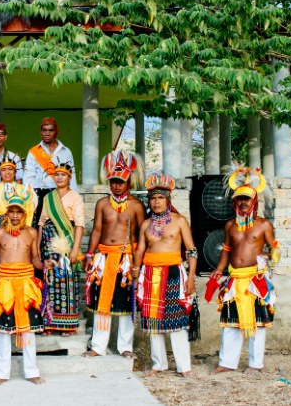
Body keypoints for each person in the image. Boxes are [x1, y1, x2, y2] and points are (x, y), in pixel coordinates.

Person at [211, 168, 278, 375]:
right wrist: (219, 269)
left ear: (254, 200)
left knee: (257, 324)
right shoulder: (230, 225)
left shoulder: (264, 225)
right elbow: (226, 250)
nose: (243, 202)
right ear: (235, 201)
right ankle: (227, 362)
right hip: (234, 279)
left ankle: (255, 364)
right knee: (231, 323)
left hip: (254, 281)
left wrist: (272, 258)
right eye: (239, 198)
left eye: (247, 199)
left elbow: (273, 247)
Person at [131, 174, 197, 378]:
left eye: (160, 197)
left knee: (177, 320)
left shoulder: (179, 221)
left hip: (173, 273)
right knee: (153, 321)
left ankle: (183, 366)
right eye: (152, 198)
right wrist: (135, 268)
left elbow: (191, 250)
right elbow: (140, 251)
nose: (156, 202)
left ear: (168, 199)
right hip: (149, 274)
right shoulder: (146, 224)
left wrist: (191, 278)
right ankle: (158, 364)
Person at [83, 150, 146, 356]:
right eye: (113, 181)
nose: (116, 185)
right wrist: (90, 256)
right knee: (103, 303)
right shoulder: (102, 204)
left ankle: (125, 347)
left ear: (129, 182)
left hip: (126, 260)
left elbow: (139, 237)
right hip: (103, 258)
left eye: (121, 181)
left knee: (126, 304)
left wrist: (138, 264)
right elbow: (96, 232)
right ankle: (98, 347)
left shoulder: (137, 206)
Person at [0, 190, 50, 386]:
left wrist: (45, 265)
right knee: (4, 330)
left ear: (25, 213)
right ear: (6, 213)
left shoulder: (31, 233)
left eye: (19, 212)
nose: (15, 216)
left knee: (28, 329)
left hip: (26, 283)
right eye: (11, 211)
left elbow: (35, 260)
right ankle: (2, 373)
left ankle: (31, 371)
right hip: (4, 283)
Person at [37, 162, 85, 335]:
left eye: (63, 175)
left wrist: (75, 249)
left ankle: (68, 324)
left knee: (67, 281)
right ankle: (49, 322)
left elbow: (79, 225)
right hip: (48, 243)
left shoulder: (75, 198)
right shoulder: (48, 198)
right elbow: (41, 223)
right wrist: (38, 247)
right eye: (56, 174)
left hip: (67, 241)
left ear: (69, 178)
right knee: (49, 280)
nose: (59, 177)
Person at [23, 117, 77, 228]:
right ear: (40, 132)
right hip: (40, 196)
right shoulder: (34, 152)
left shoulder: (66, 151)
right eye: (44, 130)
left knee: (60, 228)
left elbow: (72, 176)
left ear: (57, 132)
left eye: (51, 130)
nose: (47, 133)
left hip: (60, 195)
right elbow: (29, 178)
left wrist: (73, 199)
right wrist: (29, 201)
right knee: (40, 229)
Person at [0, 152, 36, 226]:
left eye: (10, 169)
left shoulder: (24, 190)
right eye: (3, 170)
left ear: (15, 172)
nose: (7, 172)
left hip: (20, 227)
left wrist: (25, 229)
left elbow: (29, 213)